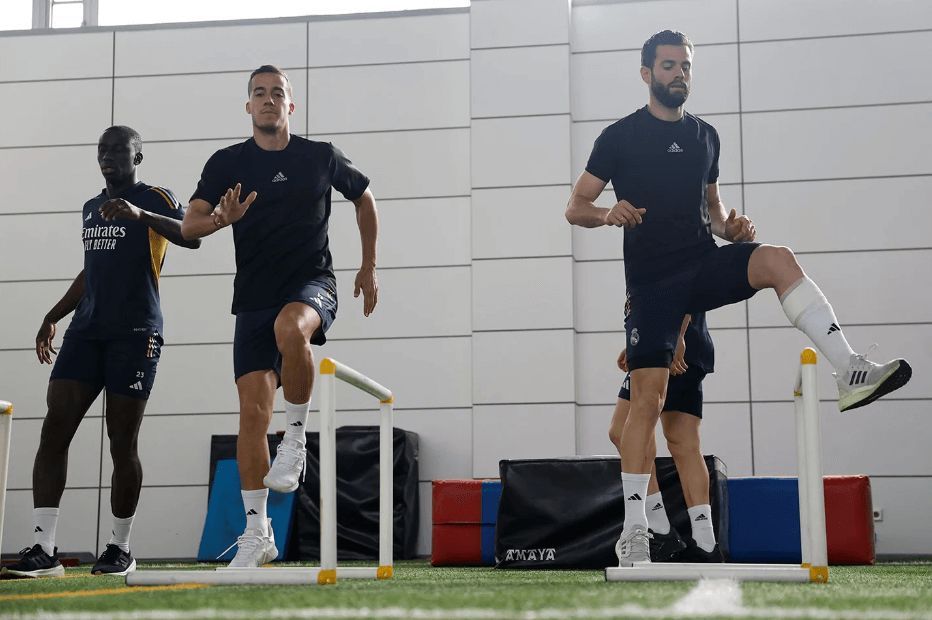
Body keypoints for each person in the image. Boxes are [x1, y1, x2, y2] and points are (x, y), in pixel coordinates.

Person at [565, 30, 912, 566]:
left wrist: (733, 227)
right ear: (646, 74)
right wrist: (607, 213)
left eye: (685, 66)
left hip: (700, 266)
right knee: (648, 402)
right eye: (667, 66)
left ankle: (850, 370)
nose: (679, 74)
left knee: (777, 257)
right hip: (653, 285)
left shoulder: (707, 137)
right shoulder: (618, 137)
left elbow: (715, 211)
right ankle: (637, 530)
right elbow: (575, 206)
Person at [181, 65, 379, 568]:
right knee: (250, 414)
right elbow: (189, 225)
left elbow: (364, 197)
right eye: (259, 94)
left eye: (277, 94)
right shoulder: (227, 162)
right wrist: (221, 219)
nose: (268, 101)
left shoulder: (319, 156)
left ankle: (296, 440)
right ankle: (257, 532)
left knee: (291, 328)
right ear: (248, 106)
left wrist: (369, 266)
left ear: (291, 105)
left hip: (313, 284)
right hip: (253, 296)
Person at [1, 126, 200, 578]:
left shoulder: (155, 197)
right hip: (86, 332)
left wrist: (140, 214)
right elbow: (92, 270)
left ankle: (120, 547)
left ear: (138, 157)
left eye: (119, 150)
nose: (109, 156)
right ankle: (43, 549)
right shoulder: (92, 209)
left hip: (136, 333)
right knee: (54, 431)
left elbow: (192, 236)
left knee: (121, 441)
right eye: (103, 150)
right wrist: (53, 314)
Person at [609, 313, 722, 563]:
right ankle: (706, 544)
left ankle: (660, 528)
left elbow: (682, 284)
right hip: (679, 341)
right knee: (683, 441)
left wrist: (677, 336)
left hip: (667, 343)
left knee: (624, 430)